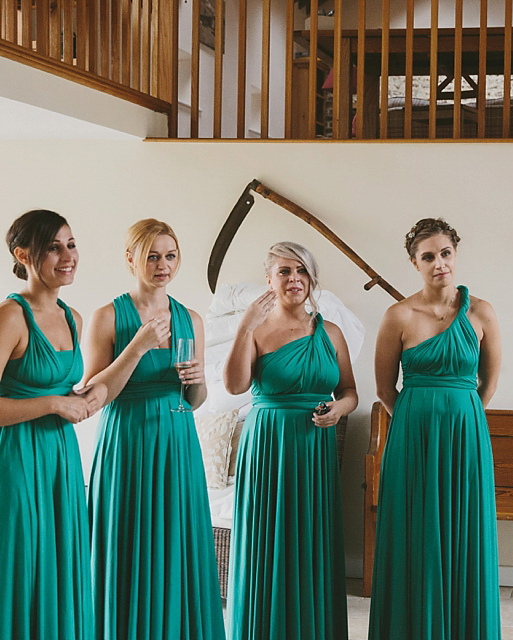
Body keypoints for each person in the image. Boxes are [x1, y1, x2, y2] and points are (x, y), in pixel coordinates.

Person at [84, 219, 225, 640]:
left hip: (177, 440)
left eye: (170, 255)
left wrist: (197, 380)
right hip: (126, 438)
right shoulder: (107, 317)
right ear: (131, 260)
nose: (163, 265)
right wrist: (138, 346)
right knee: (128, 544)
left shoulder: (192, 319)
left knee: (175, 542)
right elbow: (94, 394)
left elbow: (194, 401)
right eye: (152, 256)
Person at [369, 218, 502, 640]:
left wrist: (461, 417)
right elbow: (384, 387)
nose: (439, 263)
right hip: (413, 436)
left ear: (455, 256)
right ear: (415, 263)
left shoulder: (482, 312)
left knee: (464, 533)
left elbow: (489, 382)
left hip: (466, 435)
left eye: (445, 253)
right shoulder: (399, 315)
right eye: (428, 257)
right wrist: (415, 418)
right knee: (415, 534)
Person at [224, 241, 357, 640]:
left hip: (314, 448)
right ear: (269, 280)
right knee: (267, 541)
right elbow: (234, 386)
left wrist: (339, 410)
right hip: (267, 445)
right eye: (284, 272)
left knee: (310, 543)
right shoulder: (257, 329)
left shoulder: (330, 333)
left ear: (312, 279)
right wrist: (245, 326)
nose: (294, 279)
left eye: (301, 272)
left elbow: (350, 391)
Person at [0, 209, 104, 639]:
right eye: (54, 247)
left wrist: (81, 399)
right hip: (17, 458)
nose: (68, 256)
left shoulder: (73, 318)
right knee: (23, 564)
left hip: (61, 458)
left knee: (59, 563)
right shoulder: (11, 316)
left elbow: (65, 396)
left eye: (71, 244)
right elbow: (47, 402)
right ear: (23, 255)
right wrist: (51, 405)